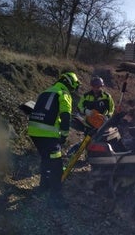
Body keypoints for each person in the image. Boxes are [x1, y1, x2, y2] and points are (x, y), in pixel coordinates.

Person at [28, 72, 80, 209]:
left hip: (34, 131)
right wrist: (63, 135)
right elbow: (65, 115)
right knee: (56, 166)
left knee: (46, 159)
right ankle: (56, 199)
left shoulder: (47, 90)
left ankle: (43, 187)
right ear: (70, 84)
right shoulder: (64, 93)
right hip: (47, 134)